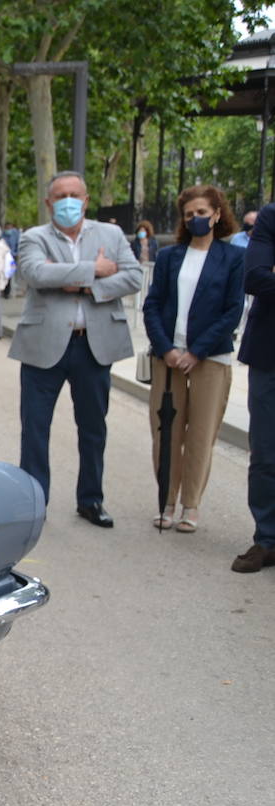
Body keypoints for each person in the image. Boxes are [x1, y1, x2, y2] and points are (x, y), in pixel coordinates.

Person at [8, 171, 143, 527]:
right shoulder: (33, 237)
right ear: (48, 202)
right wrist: (94, 270)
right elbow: (36, 274)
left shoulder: (111, 234)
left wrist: (81, 284)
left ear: (85, 200)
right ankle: (36, 503)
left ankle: (91, 499)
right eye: (60, 195)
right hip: (43, 346)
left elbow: (133, 276)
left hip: (93, 346)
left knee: (93, 427)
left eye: (74, 194)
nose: (68, 201)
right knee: (35, 428)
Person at [141, 185, 245, 533]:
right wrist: (167, 347)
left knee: (201, 434)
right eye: (189, 214)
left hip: (210, 358)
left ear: (217, 214)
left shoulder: (232, 258)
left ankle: (191, 505)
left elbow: (232, 312)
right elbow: (153, 304)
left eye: (202, 212)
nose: (196, 219)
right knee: (165, 432)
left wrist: (197, 351)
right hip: (167, 358)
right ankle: (166, 501)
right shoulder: (170, 257)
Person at [232, 202, 275, 572]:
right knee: (266, 452)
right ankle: (267, 539)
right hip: (269, 356)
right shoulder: (271, 216)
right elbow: (257, 277)